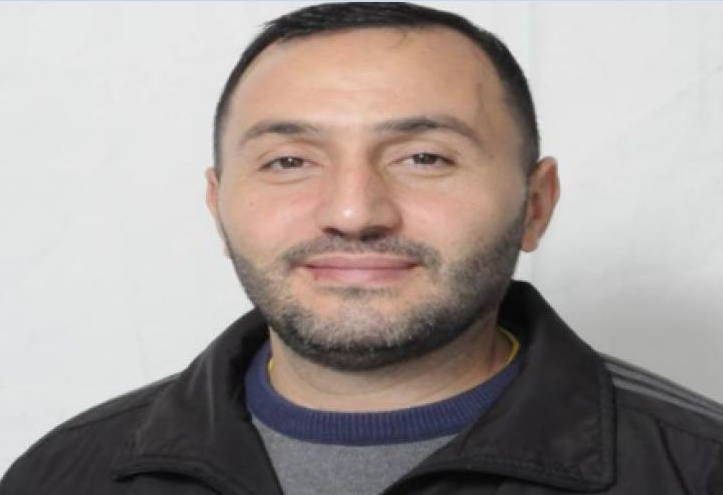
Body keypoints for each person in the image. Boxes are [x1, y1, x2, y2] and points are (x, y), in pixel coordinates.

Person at [1, 2, 721, 494]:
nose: (353, 213)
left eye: (424, 158)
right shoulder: (66, 474)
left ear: (535, 204)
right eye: (289, 161)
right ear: (218, 207)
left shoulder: (696, 470)